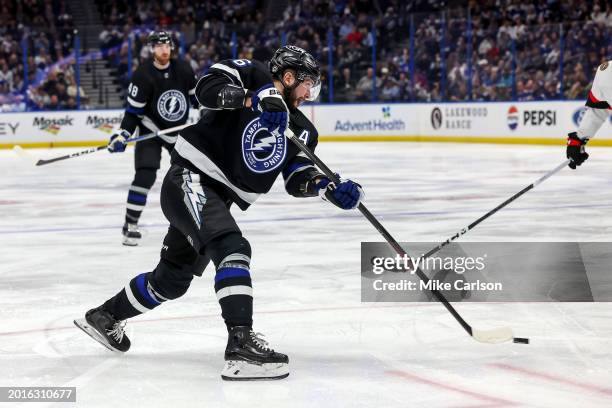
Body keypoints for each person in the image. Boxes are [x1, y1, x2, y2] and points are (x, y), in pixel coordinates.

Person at [74, 45, 364, 380]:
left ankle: (105, 316)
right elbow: (205, 90)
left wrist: (327, 188)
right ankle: (240, 344)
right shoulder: (252, 75)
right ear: (288, 76)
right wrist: (251, 100)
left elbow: (297, 177)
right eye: (307, 84)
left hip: (216, 198)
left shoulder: (302, 129)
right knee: (233, 248)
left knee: (172, 280)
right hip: (190, 179)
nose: (309, 93)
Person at [108, 30, 198, 245]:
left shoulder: (184, 69)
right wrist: (123, 134)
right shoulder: (143, 74)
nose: (164, 50)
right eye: (159, 46)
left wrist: (210, 113)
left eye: (167, 46)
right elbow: (133, 113)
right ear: (152, 49)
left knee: (184, 177)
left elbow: (197, 99)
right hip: (150, 130)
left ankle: (190, 226)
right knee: (145, 176)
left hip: (177, 132)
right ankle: (130, 225)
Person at [566, 60, 611, 169]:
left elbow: (598, 108)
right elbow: (599, 108)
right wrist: (578, 139)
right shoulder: (607, 73)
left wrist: (578, 139)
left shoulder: (606, 71)